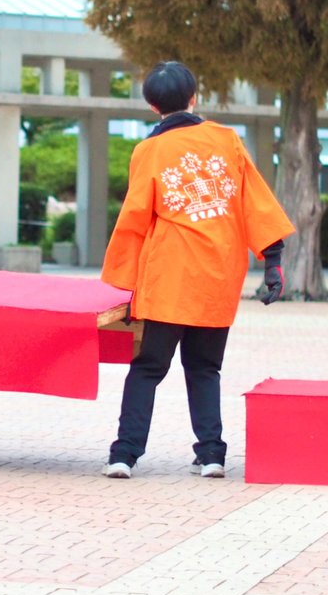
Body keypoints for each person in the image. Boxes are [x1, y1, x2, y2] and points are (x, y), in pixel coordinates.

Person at [101, 60, 295, 480]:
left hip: (169, 274)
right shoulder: (226, 140)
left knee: (148, 367)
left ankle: (124, 454)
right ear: (194, 98)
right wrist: (273, 262)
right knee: (205, 367)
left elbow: (135, 218)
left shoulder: (149, 150)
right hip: (218, 274)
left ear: (153, 106)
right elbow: (254, 200)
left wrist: (126, 286)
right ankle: (211, 455)